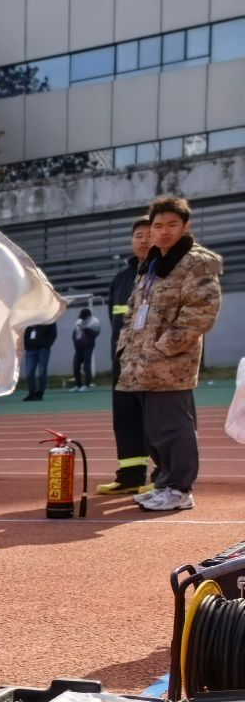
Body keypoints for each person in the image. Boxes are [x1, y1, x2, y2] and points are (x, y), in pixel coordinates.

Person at [120, 193, 223, 514]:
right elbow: (134, 310)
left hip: (171, 364)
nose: (163, 231)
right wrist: (127, 346)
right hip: (139, 363)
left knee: (173, 427)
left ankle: (180, 488)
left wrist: (161, 349)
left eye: (171, 225)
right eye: (158, 225)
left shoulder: (196, 262)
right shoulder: (151, 263)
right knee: (152, 432)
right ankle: (164, 483)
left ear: (185, 226)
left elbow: (200, 314)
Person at [99, 217, 155, 495]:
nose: (144, 240)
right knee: (125, 418)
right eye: (138, 236)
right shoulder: (121, 278)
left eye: (148, 234)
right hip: (122, 361)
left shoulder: (164, 273)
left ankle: (165, 475)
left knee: (156, 419)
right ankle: (131, 476)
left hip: (153, 361)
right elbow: (114, 320)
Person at [21, 319, 57, 400]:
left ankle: (40, 393)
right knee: (29, 372)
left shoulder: (49, 318)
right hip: (30, 349)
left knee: (42, 372)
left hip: (43, 349)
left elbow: (53, 334)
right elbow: (24, 332)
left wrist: (46, 345)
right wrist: (27, 345)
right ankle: (31, 392)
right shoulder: (30, 318)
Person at [69, 306, 100, 390]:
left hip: (88, 346)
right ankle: (78, 384)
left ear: (89, 316)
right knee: (76, 366)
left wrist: (85, 328)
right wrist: (74, 341)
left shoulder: (95, 322)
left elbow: (95, 334)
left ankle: (87, 384)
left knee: (86, 366)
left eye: (84, 317)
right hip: (78, 347)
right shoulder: (79, 321)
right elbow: (75, 332)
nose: (82, 319)